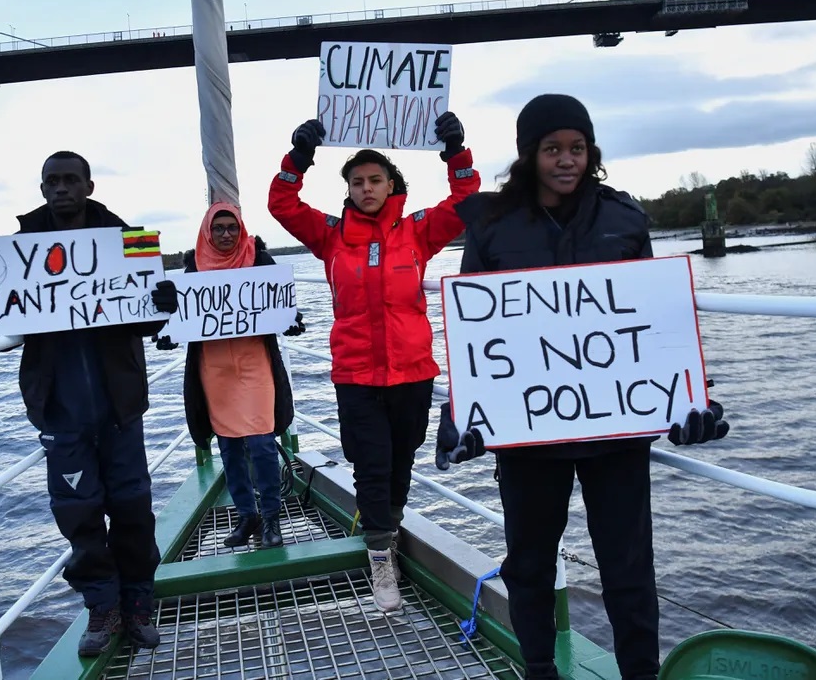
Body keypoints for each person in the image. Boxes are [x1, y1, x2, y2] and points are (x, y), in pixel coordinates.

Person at [436, 95, 730, 680]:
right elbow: (478, 332)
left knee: (628, 567)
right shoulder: (492, 227)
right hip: (529, 435)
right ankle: (539, 669)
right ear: (530, 155)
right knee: (530, 564)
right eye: (553, 149)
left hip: (615, 435)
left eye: (577, 148)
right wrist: (463, 411)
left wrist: (686, 396)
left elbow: (651, 327)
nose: (567, 160)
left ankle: (640, 674)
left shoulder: (625, 220)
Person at [0, 151, 179, 657]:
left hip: (121, 405)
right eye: (51, 181)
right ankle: (102, 604)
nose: (60, 188)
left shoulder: (127, 242)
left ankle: (139, 600)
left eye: (69, 180)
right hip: (60, 408)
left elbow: (144, 318)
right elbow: (2, 315)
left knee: (133, 507)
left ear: (89, 185)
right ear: (42, 189)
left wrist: (163, 306)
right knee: (78, 513)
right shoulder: (16, 251)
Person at [267, 112, 481, 612]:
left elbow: (467, 202)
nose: (366, 188)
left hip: (412, 372)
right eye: (357, 181)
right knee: (371, 464)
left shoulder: (419, 231)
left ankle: (388, 524)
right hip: (357, 374)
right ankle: (381, 559)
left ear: (391, 184)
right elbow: (282, 203)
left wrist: (456, 152)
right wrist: (298, 158)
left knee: (402, 458)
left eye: (375, 180)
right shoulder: (330, 235)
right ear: (347, 188)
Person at [158, 203, 303, 549]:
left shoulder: (259, 259)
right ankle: (246, 515)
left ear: (241, 229)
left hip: (255, 365)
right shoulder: (193, 267)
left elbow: (278, 302)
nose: (226, 234)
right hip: (215, 369)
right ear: (208, 231)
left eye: (232, 228)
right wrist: (166, 328)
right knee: (229, 447)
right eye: (219, 228)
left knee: (262, 444)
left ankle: (271, 518)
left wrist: (292, 318)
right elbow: (183, 313)